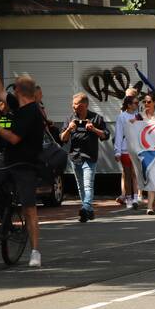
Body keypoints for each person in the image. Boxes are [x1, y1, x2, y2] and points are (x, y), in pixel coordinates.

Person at [0, 76, 44, 268]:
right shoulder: (17, 105)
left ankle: (35, 252)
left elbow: (14, 138)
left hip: (25, 165)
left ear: (18, 90)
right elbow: (0, 92)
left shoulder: (33, 112)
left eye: (13, 89)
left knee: (29, 208)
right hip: (7, 161)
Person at [60, 92, 110, 222]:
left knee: (88, 185)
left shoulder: (96, 118)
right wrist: (69, 129)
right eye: (73, 104)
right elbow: (62, 138)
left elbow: (105, 135)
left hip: (89, 157)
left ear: (84, 106)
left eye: (76, 104)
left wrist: (93, 129)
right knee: (80, 186)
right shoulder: (70, 119)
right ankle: (89, 212)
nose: (73, 106)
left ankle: (85, 207)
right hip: (75, 157)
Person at [113, 94, 140, 209]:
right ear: (129, 105)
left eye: (138, 103)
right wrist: (117, 151)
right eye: (135, 103)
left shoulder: (139, 116)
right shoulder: (122, 117)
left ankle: (135, 198)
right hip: (125, 149)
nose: (137, 105)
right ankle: (128, 198)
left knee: (136, 174)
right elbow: (118, 134)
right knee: (127, 174)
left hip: (137, 149)